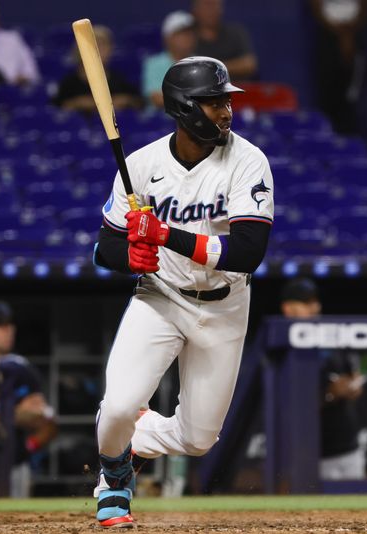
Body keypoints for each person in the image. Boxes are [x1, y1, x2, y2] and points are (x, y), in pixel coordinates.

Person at [92, 56, 273, 527]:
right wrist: (130, 257)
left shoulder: (248, 160)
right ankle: (113, 479)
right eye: (214, 102)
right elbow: (106, 246)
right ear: (184, 107)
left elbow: (247, 252)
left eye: (226, 101)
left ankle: (140, 439)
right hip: (160, 297)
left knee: (198, 440)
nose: (226, 110)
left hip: (226, 304)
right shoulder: (141, 165)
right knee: (116, 408)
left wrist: (164, 235)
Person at [0, 300, 57, 498]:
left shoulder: (20, 368)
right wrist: (11, 415)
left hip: (15, 464)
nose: (8, 330)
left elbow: (48, 422)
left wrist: (28, 448)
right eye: (1, 326)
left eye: (10, 325)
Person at [280, 278, 365, 480]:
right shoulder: (281, 349)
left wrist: (352, 386)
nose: (314, 307)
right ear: (288, 309)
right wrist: (330, 394)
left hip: (347, 446)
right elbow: (289, 406)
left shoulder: (331, 339)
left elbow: (353, 376)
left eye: (315, 302)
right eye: (306, 303)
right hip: (309, 453)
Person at [52, 25, 141, 112]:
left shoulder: (120, 80)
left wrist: (125, 100)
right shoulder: (69, 83)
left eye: (104, 45)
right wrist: (77, 103)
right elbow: (57, 110)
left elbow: (137, 103)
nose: (100, 49)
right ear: (80, 49)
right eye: (95, 44)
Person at [309, 0, 364, 134]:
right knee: (327, 91)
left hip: (353, 35)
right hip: (328, 35)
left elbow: (364, 6)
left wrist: (348, 35)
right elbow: (316, 6)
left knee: (351, 97)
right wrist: (339, 32)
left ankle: (348, 140)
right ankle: (326, 137)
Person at [191, 0, 258, 80]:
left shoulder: (235, 33)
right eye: (206, 5)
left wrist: (216, 68)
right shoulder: (188, 37)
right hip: (199, 89)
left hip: (233, 88)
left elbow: (249, 64)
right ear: (195, 10)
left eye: (214, 5)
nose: (211, 10)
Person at [142, 11, 197, 108]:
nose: (188, 37)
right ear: (168, 38)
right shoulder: (154, 64)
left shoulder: (202, 63)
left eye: (190, 33)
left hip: (192, 121)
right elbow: (157, 99)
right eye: (182, 33)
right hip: (160, 121)